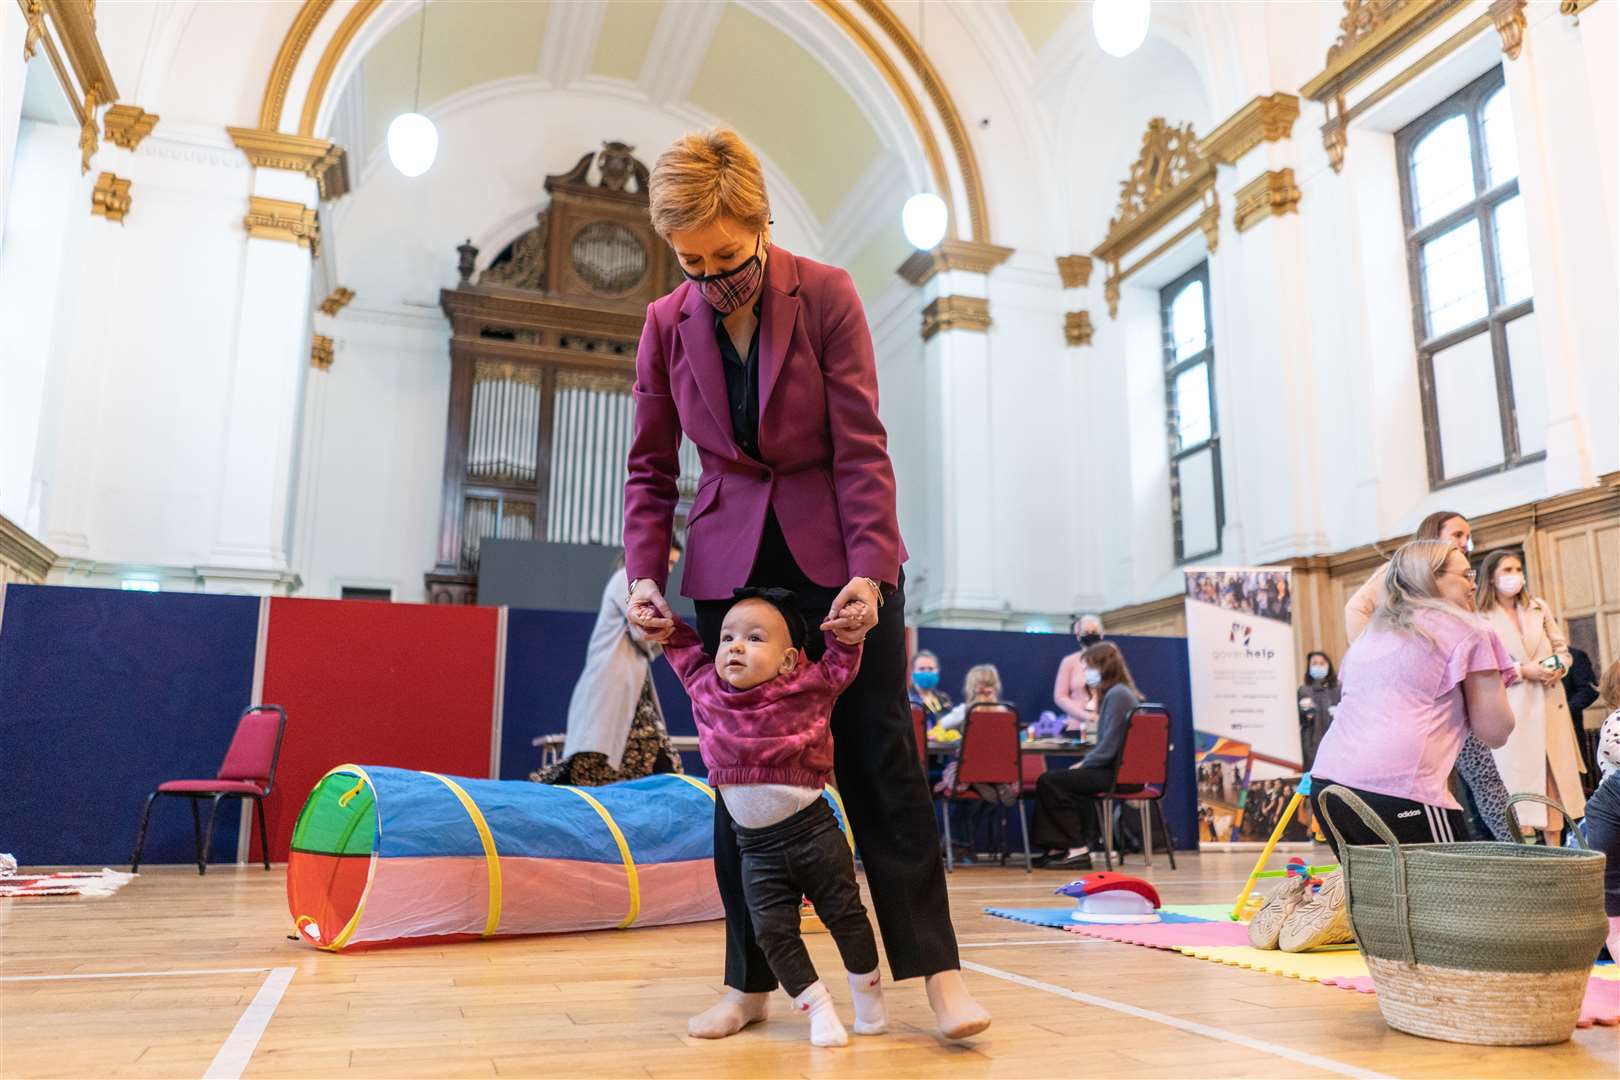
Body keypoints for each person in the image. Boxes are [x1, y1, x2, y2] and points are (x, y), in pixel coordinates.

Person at [621, 128, 987, 1040]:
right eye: (690, 260)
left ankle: (938, 975)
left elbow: (862, 444)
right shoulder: (666, 324)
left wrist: (870, 573)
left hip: (840, 557)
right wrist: (642, 574)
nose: (710, 275)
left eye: (726, 255)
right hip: (727, 565)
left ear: (761, 221)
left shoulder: (826, 294)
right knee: (739, 778)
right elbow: (650, 470)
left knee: (880, 763)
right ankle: (748, 983)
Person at [657, 587, 883, 1047]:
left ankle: (870, 1003)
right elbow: (682, 650)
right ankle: (817, 1006)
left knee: (846, 916)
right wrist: (665, 625)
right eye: (726, 639)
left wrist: (849, 630)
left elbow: (841, 660)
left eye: (754, 638)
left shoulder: (807, 686)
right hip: (754, 847)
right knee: (772, 934)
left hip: (813, 833)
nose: (735, 646)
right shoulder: (707, 690)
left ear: (787, 661)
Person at [1310, 540, 1517, 852]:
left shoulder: (1372, 633)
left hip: (1328, 786)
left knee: (1377, 898)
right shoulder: (1470, 631)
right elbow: (1496, 731)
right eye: (1466, 576)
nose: (1473, 585)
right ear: (1431, 577)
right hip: (1398, 791)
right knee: (1457, 895)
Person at [532, 544, 685, 786]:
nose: (667, 569)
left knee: (645, 759)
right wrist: (673, 632)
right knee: (602, 764)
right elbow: (643, 631)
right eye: (666, 560)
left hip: (629, 689)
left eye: (672, 564)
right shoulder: (626, 580)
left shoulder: (634, 585)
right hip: (612, 686)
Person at [1476, 550, 1586, 844]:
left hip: (1550, 703)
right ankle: (1527, 849)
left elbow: (1562, 649)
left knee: (1554, 783)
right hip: (1515, 707)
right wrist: (1523, 670)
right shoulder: (1482, 619)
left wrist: (1559, 666)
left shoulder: (1538, 608)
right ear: (1491, 577)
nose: (1515, 575)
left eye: (1517, 568)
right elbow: (1483, 667)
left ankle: (1557, 850)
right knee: (1521, 786)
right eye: (1507, 570)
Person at [1029, 642, 1143, 870]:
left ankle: (1076, 849)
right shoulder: (1121, 692)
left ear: (1103, 666)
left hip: (1116, 775)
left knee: (1050, 781)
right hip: (1118, 772)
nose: (1085, 674)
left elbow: (1108, 747)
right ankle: (1062, 849)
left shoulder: (1118, 695)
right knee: (1064, 783)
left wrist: (1082, 764)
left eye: (1088, 667)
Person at [1344, 509, 1471, 643]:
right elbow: (1355, 608)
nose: (1465, 544)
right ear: (1434, 535)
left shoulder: (1462, 574)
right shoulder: (1400, 568)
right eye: (1457, 535)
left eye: (1468, 538)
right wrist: (1372, 653)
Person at [1582, 660, 1620, 961]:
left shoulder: (1614, 724)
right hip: (1610, 813)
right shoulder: (1615, 724)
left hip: (1608, 813)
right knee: (1614, 907)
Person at [1053, 615, 1104, 737]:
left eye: (1094, 632)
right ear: (1078, 635)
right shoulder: (1069, 662)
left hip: (1104, 727)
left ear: (1102, 635)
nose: (1090, 635)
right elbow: (1060, 697)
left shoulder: (1110, 661)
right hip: (1076, 727)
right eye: (1086, 632)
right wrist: (1085, 715)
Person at [1296, 650, 1340, 772]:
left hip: (1335, 742)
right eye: (1315, 663)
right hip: (1312, 742)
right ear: (1309, 667)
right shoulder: (1303, 690)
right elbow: (1298, 720)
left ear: (1328, 666)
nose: (1318, 666)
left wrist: (1339, 713)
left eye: (1322, 663)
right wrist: (1306, 715)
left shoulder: (1337, 688)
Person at [908, 650, 952, 722]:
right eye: (921, 669)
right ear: (912, 671)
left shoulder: (944, 699)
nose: (927, 673)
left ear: (937, 671)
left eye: (931, 669)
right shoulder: (906, 700)